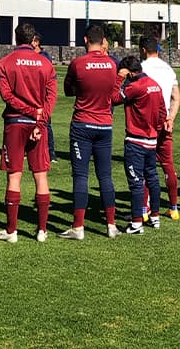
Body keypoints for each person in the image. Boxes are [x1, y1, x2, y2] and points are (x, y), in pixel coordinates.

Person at [0, 23, 57, 244]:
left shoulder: (5, 63)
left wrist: (30, 113)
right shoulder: (46, 64)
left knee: (14, 175)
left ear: (15, 38)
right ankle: (42, 230)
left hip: (15, 123)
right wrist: (40, 120)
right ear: (33, 40)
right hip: (37, 124)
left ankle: (12, 231)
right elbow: (51, 98)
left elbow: (7, 96)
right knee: (40, 175)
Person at [59, 24, 120, 240]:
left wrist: (83, 88)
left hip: (83, 124)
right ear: (103, 41)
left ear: (85, 40)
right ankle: (111, 225)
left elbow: (68, 90)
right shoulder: (112, 65)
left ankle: (78, 227)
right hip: (105, 124)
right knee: (105, 175)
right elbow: (113, 94)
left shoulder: (78, 63)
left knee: (81, 175)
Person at [113, 55, 166, 233]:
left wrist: (119, 78)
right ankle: (155, 217)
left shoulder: (134, 86)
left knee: (136, 181)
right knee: (152, 178)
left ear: (129, 72)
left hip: (136, 140)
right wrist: (155, 131)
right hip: (152, 140)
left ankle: (136, 223)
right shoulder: (155, 85)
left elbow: (113, 98)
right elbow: (162, 112)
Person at [139, 36, 180, 220]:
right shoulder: (168, 68)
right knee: (168, 165)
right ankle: (173, 207)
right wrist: (171, 117)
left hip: (146, 120)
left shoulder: (141, 68)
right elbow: (176, 97)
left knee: (144, 165)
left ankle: (144, 209)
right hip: (164, 120)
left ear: (142, 50)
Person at [31, 32, 57, 162]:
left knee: (46, 123)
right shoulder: (29, 56)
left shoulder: (44, 56)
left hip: (43, 95)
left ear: (36, 42)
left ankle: (51, 152)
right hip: (31, 94)